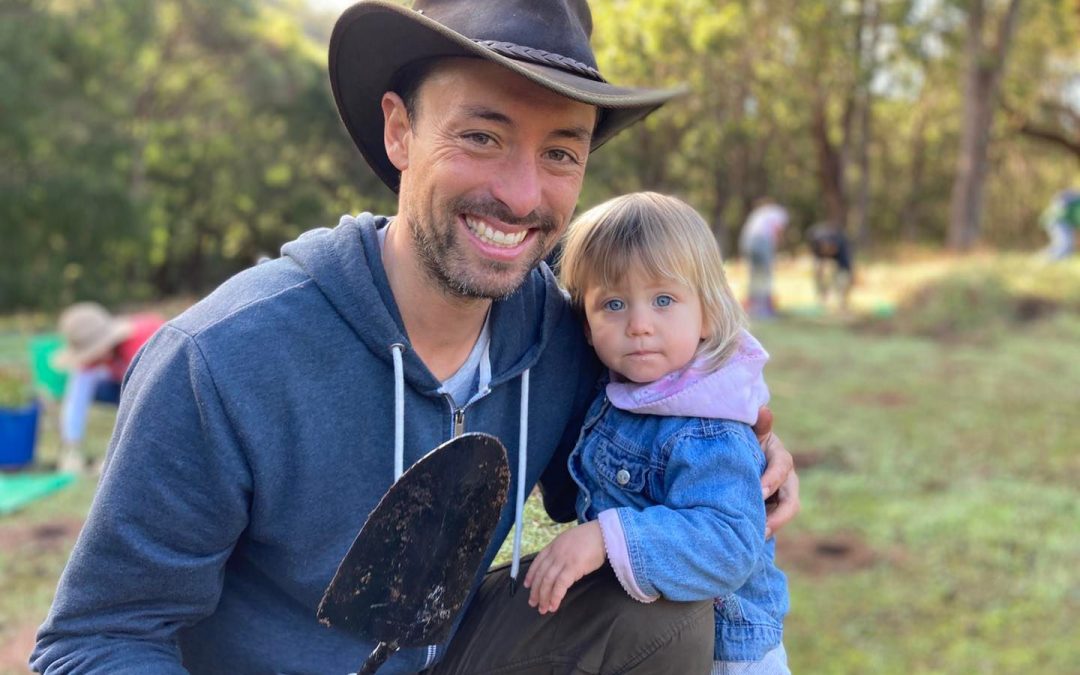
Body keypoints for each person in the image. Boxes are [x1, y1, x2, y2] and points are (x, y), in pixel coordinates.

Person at [31, 2, 800, 673]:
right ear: (400, 130)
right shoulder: (223, 361)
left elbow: (651, 437)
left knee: (661, 615)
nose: (523, 193)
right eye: (482, 136)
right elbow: (95, 636)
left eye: (561, 151)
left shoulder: (566, 334)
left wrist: (745, 446)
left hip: (459, 651)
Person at [522, 192, 790, 674]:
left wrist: (605, 538)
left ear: (708, 312)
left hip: (727, 655)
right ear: (586, 325)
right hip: (651, 640)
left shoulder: (708, 427)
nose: (639, 325)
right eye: (614, 304)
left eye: (664, 299)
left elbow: (729, 543)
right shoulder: (623, 390)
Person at [51, 302, 165, 472]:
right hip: (130, 384)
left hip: (165, 387)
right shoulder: (96, 356)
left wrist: (117, 460)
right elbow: (77, 398)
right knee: (98, 387)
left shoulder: (141, 346)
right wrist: (72, 447)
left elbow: (151, 406)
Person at [738, 197, 789, 318]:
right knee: (766, 274)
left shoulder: (760, 211)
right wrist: (777, 246)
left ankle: (752, 307)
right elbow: (777, 230)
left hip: (746, 241)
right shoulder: (780, 213)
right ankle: (765, 309)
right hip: (761, 240)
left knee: (754, 275)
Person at [806, 221, 854, 313]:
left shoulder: (841, 246)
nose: (827, 251)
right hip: (822, 252)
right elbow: (819, 263)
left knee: (842, 278)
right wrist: (820, 270)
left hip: (840, 258)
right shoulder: (816, 242)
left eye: (829, 249)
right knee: (818, 272)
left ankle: (842, 302)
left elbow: (847, 269)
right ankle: (822, 299)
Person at [1039, 189, 1080, 261]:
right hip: (1057, 220)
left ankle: (1041, 258)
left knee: (1063, 244)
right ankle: (1051, 261)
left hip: (1057, 220)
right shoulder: (1076, 199)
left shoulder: (1076, 198)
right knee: (1065, 244)